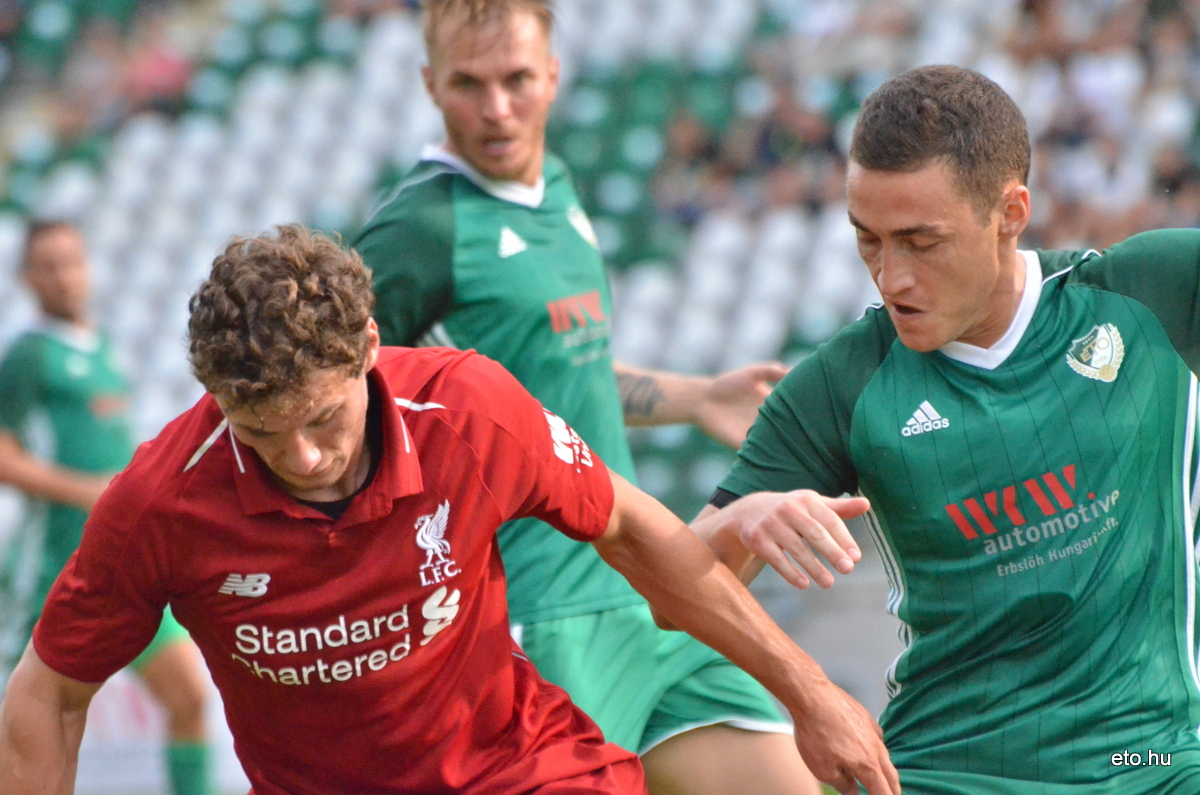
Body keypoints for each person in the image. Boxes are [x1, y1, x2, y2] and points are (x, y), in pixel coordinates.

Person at [0, 225, 898, 795]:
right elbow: (48, 693)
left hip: (519, 771)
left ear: (368, 347)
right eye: (261, 432)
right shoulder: (161, 500)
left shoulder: (466, 410)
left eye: (322, 419)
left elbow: (632, 525)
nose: (301, 457)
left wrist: (811, 691)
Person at [693, 64, 1200, 794]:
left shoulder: (1145, 294)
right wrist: (805, 683)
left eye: (920, 242)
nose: (890, 276)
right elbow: (677, 580)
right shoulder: (845, 381)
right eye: (868, 239)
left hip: (1154, 766)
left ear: (1010, 212)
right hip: (946, 773)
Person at [352, 3, 816, 792]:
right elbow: (332, 403)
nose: (497, 107)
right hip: (541, 613)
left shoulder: (556, 189)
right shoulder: (419, 231)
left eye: (517, 80)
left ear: (553, 76)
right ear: (430, 84)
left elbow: (555, 378)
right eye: (469, 84)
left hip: (650, 585)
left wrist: (696, 396)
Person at [0, 221, 212, 795]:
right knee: (32, 724)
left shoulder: (102, 347)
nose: (64, 277)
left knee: (189, 698)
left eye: (71, 262)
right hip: (53, 561)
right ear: (27, 277)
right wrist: (88, 491)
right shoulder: (28, 357)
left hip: (124, 559)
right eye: (48, 266)